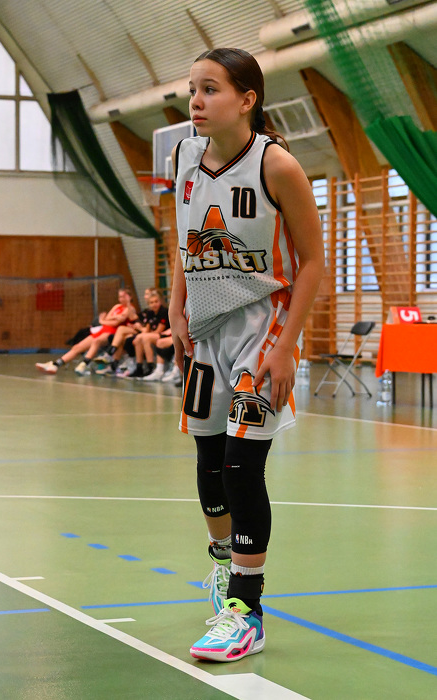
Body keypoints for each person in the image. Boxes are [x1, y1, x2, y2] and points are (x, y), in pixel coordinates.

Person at [168, 48, 325, 663]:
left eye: (210, 89)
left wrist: (286, 348)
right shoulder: (185, 157)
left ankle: (246, 611)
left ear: (247, 99)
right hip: (205, 329)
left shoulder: (276, 165)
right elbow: (183, 239)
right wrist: (177, 304)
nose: (196, 100)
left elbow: (312, 261)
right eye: (193, 89)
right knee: (209, 461)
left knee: (241, 465)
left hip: (263, 328)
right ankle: (223, 562)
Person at [35, 288, 136, 375]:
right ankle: (56, 364)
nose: (120, 299)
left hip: (112, 332)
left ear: (129, 297)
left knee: (96, 342)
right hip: (103, 329)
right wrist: (109, 319)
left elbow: (115, 323)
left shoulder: (130, 308)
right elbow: (108, 318)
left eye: (123, 296)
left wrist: (104, 321)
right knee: (77, 347)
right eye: (119, 297)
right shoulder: (117, 306)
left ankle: (84, 364)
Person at [127, 290, 170, 378]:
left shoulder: (164, 311)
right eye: (151, 302)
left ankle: (150, 367)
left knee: (145, 338)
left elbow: (159, 330)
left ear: (160, 301)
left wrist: (143, 332)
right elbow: (147, 329)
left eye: (156, 301)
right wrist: (138, 331)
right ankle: (139, 367)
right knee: (139, 338)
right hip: (153, 334)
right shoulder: (150, 312)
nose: (154, 304)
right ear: (148, 304)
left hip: (163, 334)